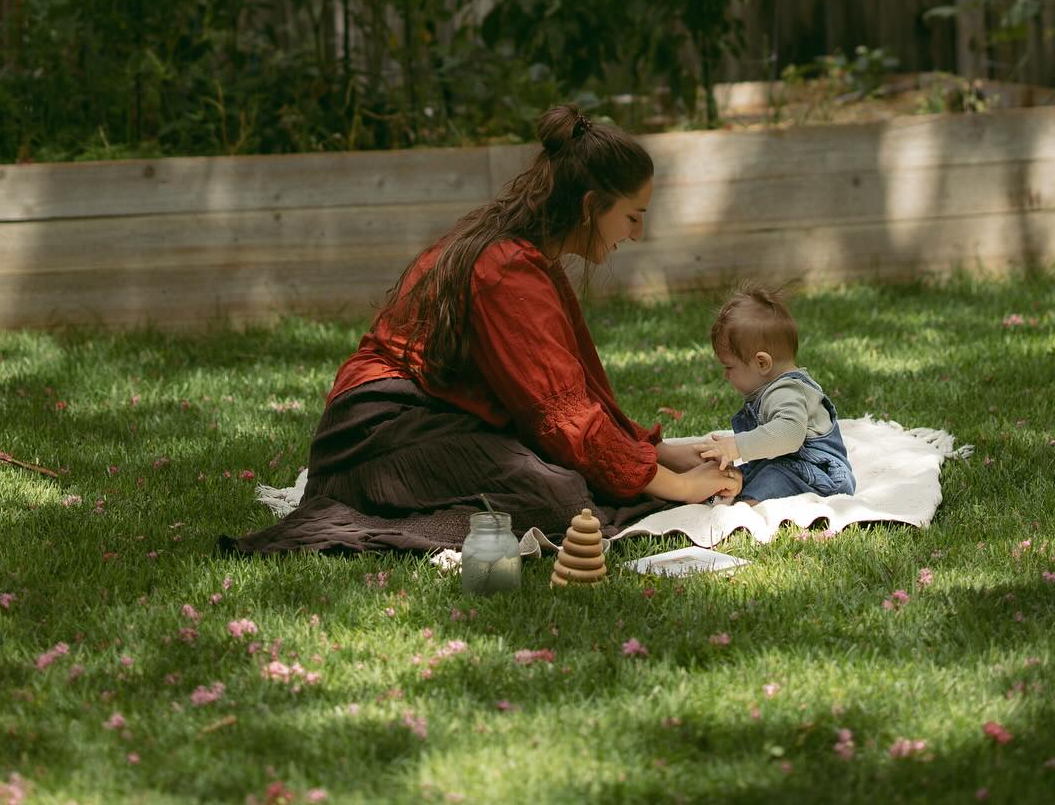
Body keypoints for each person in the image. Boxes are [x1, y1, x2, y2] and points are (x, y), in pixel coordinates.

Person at [220, 105, 739, 558]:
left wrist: (661, 454)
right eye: (632, 215)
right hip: (377, 437)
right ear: (588, 207)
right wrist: (678, 487)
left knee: (574, 485)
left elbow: (569, 396)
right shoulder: (507, 269)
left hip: (442, 423)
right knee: (563, 503)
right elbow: (565, 418)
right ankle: (363, 508)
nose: (638, 233)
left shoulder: (528, 259)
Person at [683, 285, 856, 503]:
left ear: (762, 363)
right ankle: (729, 488)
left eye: (729, 367)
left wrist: (736, 446)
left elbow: (790, 434)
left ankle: (747, 506)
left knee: (774, 477)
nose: (726, 376)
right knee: (747, 472)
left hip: (823, 475)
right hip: (791, 463)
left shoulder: (786, 391)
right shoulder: (775, 389)